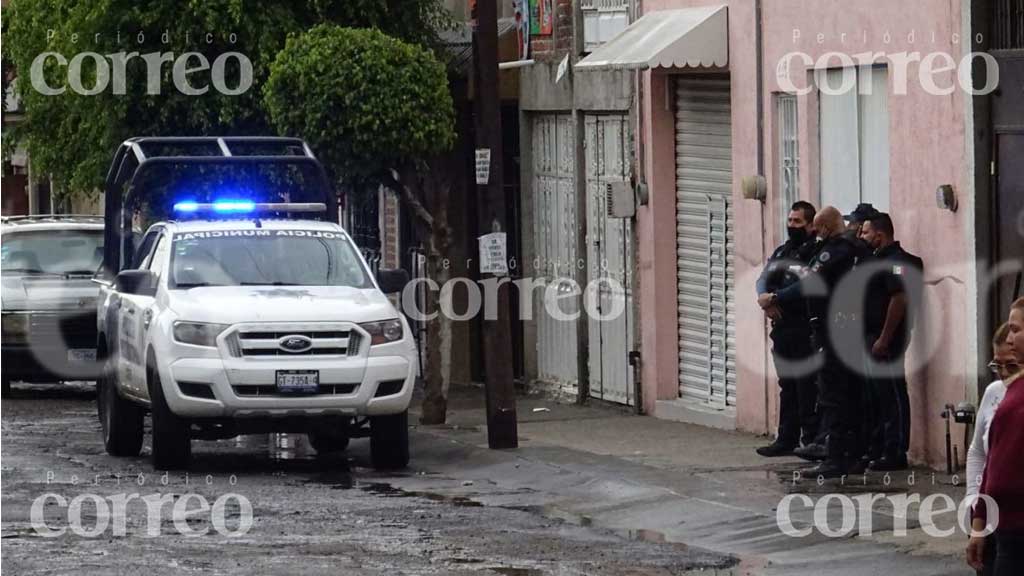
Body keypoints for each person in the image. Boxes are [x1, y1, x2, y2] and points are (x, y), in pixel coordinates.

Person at [767, 206, 861, 477]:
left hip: (833, 329)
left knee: (833, 394)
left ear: (826, 227)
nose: (815, 235)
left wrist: (776, 298)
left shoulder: (835, 249)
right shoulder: (853, 248)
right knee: (843, 394)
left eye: (818, 229)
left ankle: (836, 456)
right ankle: (848, 454)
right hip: (842, 328)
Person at [857, 213, 924, 471]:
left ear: (879, 234)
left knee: (892, 394)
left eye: (865, 232)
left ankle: (895, 451)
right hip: (871, 337)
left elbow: (899, 298)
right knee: (877, 396)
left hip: (886, 339)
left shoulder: (897, 262)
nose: (862, 237)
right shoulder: (877, 261)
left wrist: (884, 338)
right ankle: (879, 447)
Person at [755, 201, 820, 457]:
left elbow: (808, 284)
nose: (791, 225)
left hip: (804, 328)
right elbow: (763, 279)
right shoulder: (784, 250)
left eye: (797, 222)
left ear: (811, 225)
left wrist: (776, 298)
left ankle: (811, 439)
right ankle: (787, 438)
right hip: (782, 328)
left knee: (807, 386)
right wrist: (765, 300)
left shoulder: (814, 251)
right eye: (790, 220)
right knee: (788, 385)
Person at [968, 297, 1024, 576]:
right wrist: (977, 517)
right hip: (1001, 524)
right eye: (996, 365)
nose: (1010, 337)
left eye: (1016, 329)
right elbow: (986, 458)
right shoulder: (1004, 394)